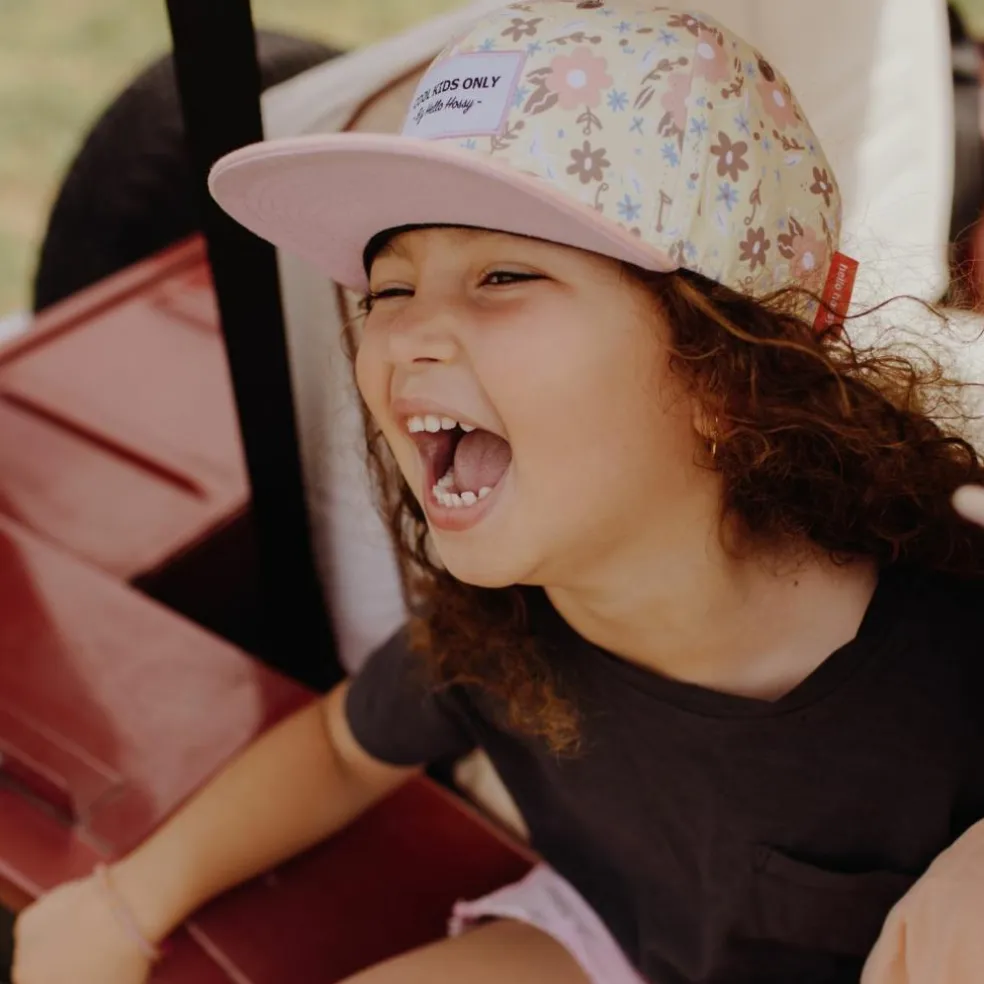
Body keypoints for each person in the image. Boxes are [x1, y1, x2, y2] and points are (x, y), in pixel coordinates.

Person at [12, 3, 984, 983]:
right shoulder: (504, 618)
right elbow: (345, 751)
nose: (409, 336)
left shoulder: (944, 633)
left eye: (504, 275)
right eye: (388, 292)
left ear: (726, 377)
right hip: (608, 933)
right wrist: (123, 904)